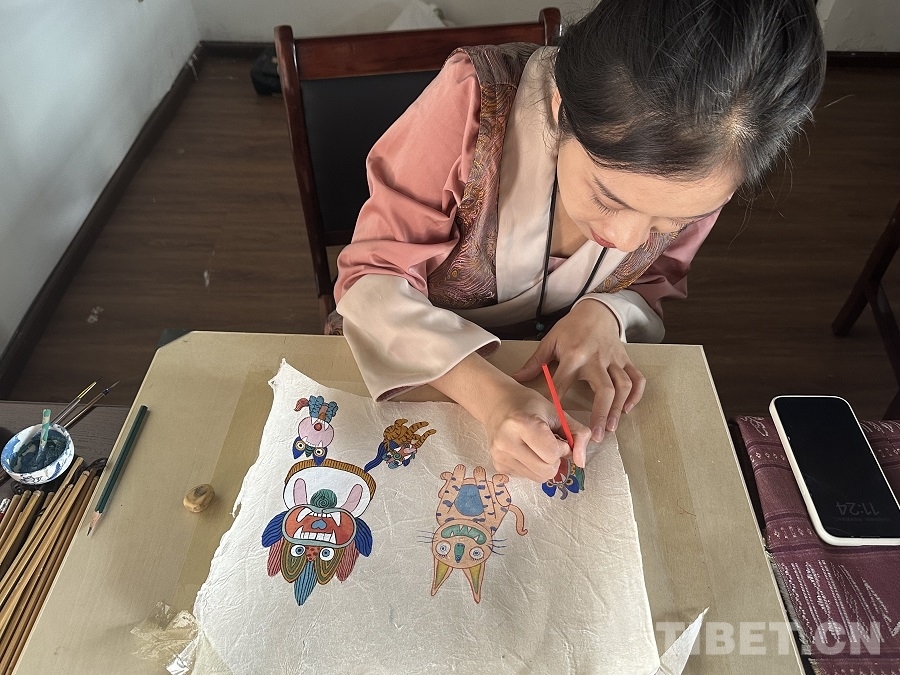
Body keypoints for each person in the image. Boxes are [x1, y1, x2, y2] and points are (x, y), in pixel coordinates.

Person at [331, 0, 826, 483]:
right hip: (409, 354)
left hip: (555, 380)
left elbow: (654, 279)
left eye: (672, 221)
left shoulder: (710, 172)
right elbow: (373, 278)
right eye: (607, 197)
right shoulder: (475, 100)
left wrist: (606, 311)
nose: (626, 239)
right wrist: (491, 397)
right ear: (560, 107)